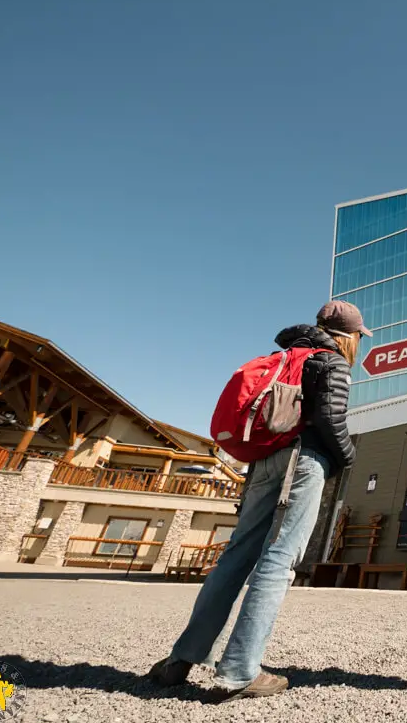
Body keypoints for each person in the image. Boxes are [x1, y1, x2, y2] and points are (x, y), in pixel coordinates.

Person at [147, 300, 368, 700]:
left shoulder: (285, 355)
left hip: (264, 462)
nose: (358, 343)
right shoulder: (333, 363)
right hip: (302, 465)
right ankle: (240, 671)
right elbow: (331, 421)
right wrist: (348, 458)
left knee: (235, 557)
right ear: (348, 336)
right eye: (358, 336)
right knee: (279, 560)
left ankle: (181, 658)